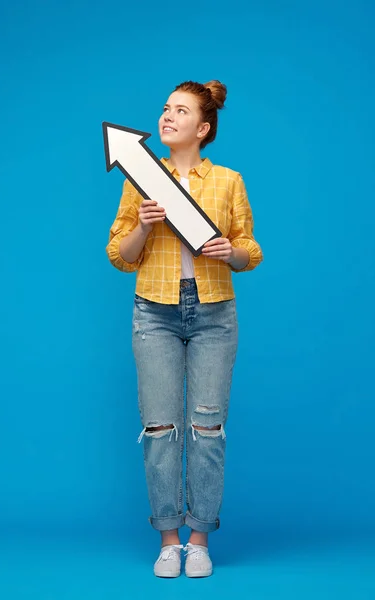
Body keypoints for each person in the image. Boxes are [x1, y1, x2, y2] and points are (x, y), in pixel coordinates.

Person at [106, 80, 263, 578]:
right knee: (159, 429)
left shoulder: (229, 181)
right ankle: (168, 539)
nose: (167, 117)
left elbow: (250, 251)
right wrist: (146, 225)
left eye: (181, 111)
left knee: (207, 430)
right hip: (154, 311)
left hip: (214, 312)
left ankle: (199, 539)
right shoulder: (139, 179)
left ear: (203, 127)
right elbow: (119, 256)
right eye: (165, 109)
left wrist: (229, 252)